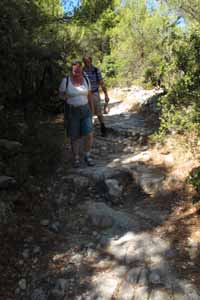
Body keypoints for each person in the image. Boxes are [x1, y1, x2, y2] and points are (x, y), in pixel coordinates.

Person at [59, 60, 95, 168]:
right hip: (72, 111)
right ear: (71, 70)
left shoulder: (86, 80)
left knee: (89, 134)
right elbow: (60, 94)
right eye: (75, 70)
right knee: (75, 136)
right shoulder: (65, 81)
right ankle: (76, 158)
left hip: (86, 110)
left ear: (81, 69)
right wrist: (64, 97)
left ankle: (87, 155)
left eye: (79, 70)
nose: (77, 72)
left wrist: (92, 112)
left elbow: (89, 96)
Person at [83, 56, 109, 137]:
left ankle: (103, 128)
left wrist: (106, 95)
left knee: (98, 112)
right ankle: (88, 132)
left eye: (88, 61)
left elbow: (101, 83)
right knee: (86, 113)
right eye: (85, 61)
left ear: (91, 61)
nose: (87, 63)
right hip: (84, 95)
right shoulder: (82, 71)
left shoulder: (96, 70)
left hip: (94, 93)